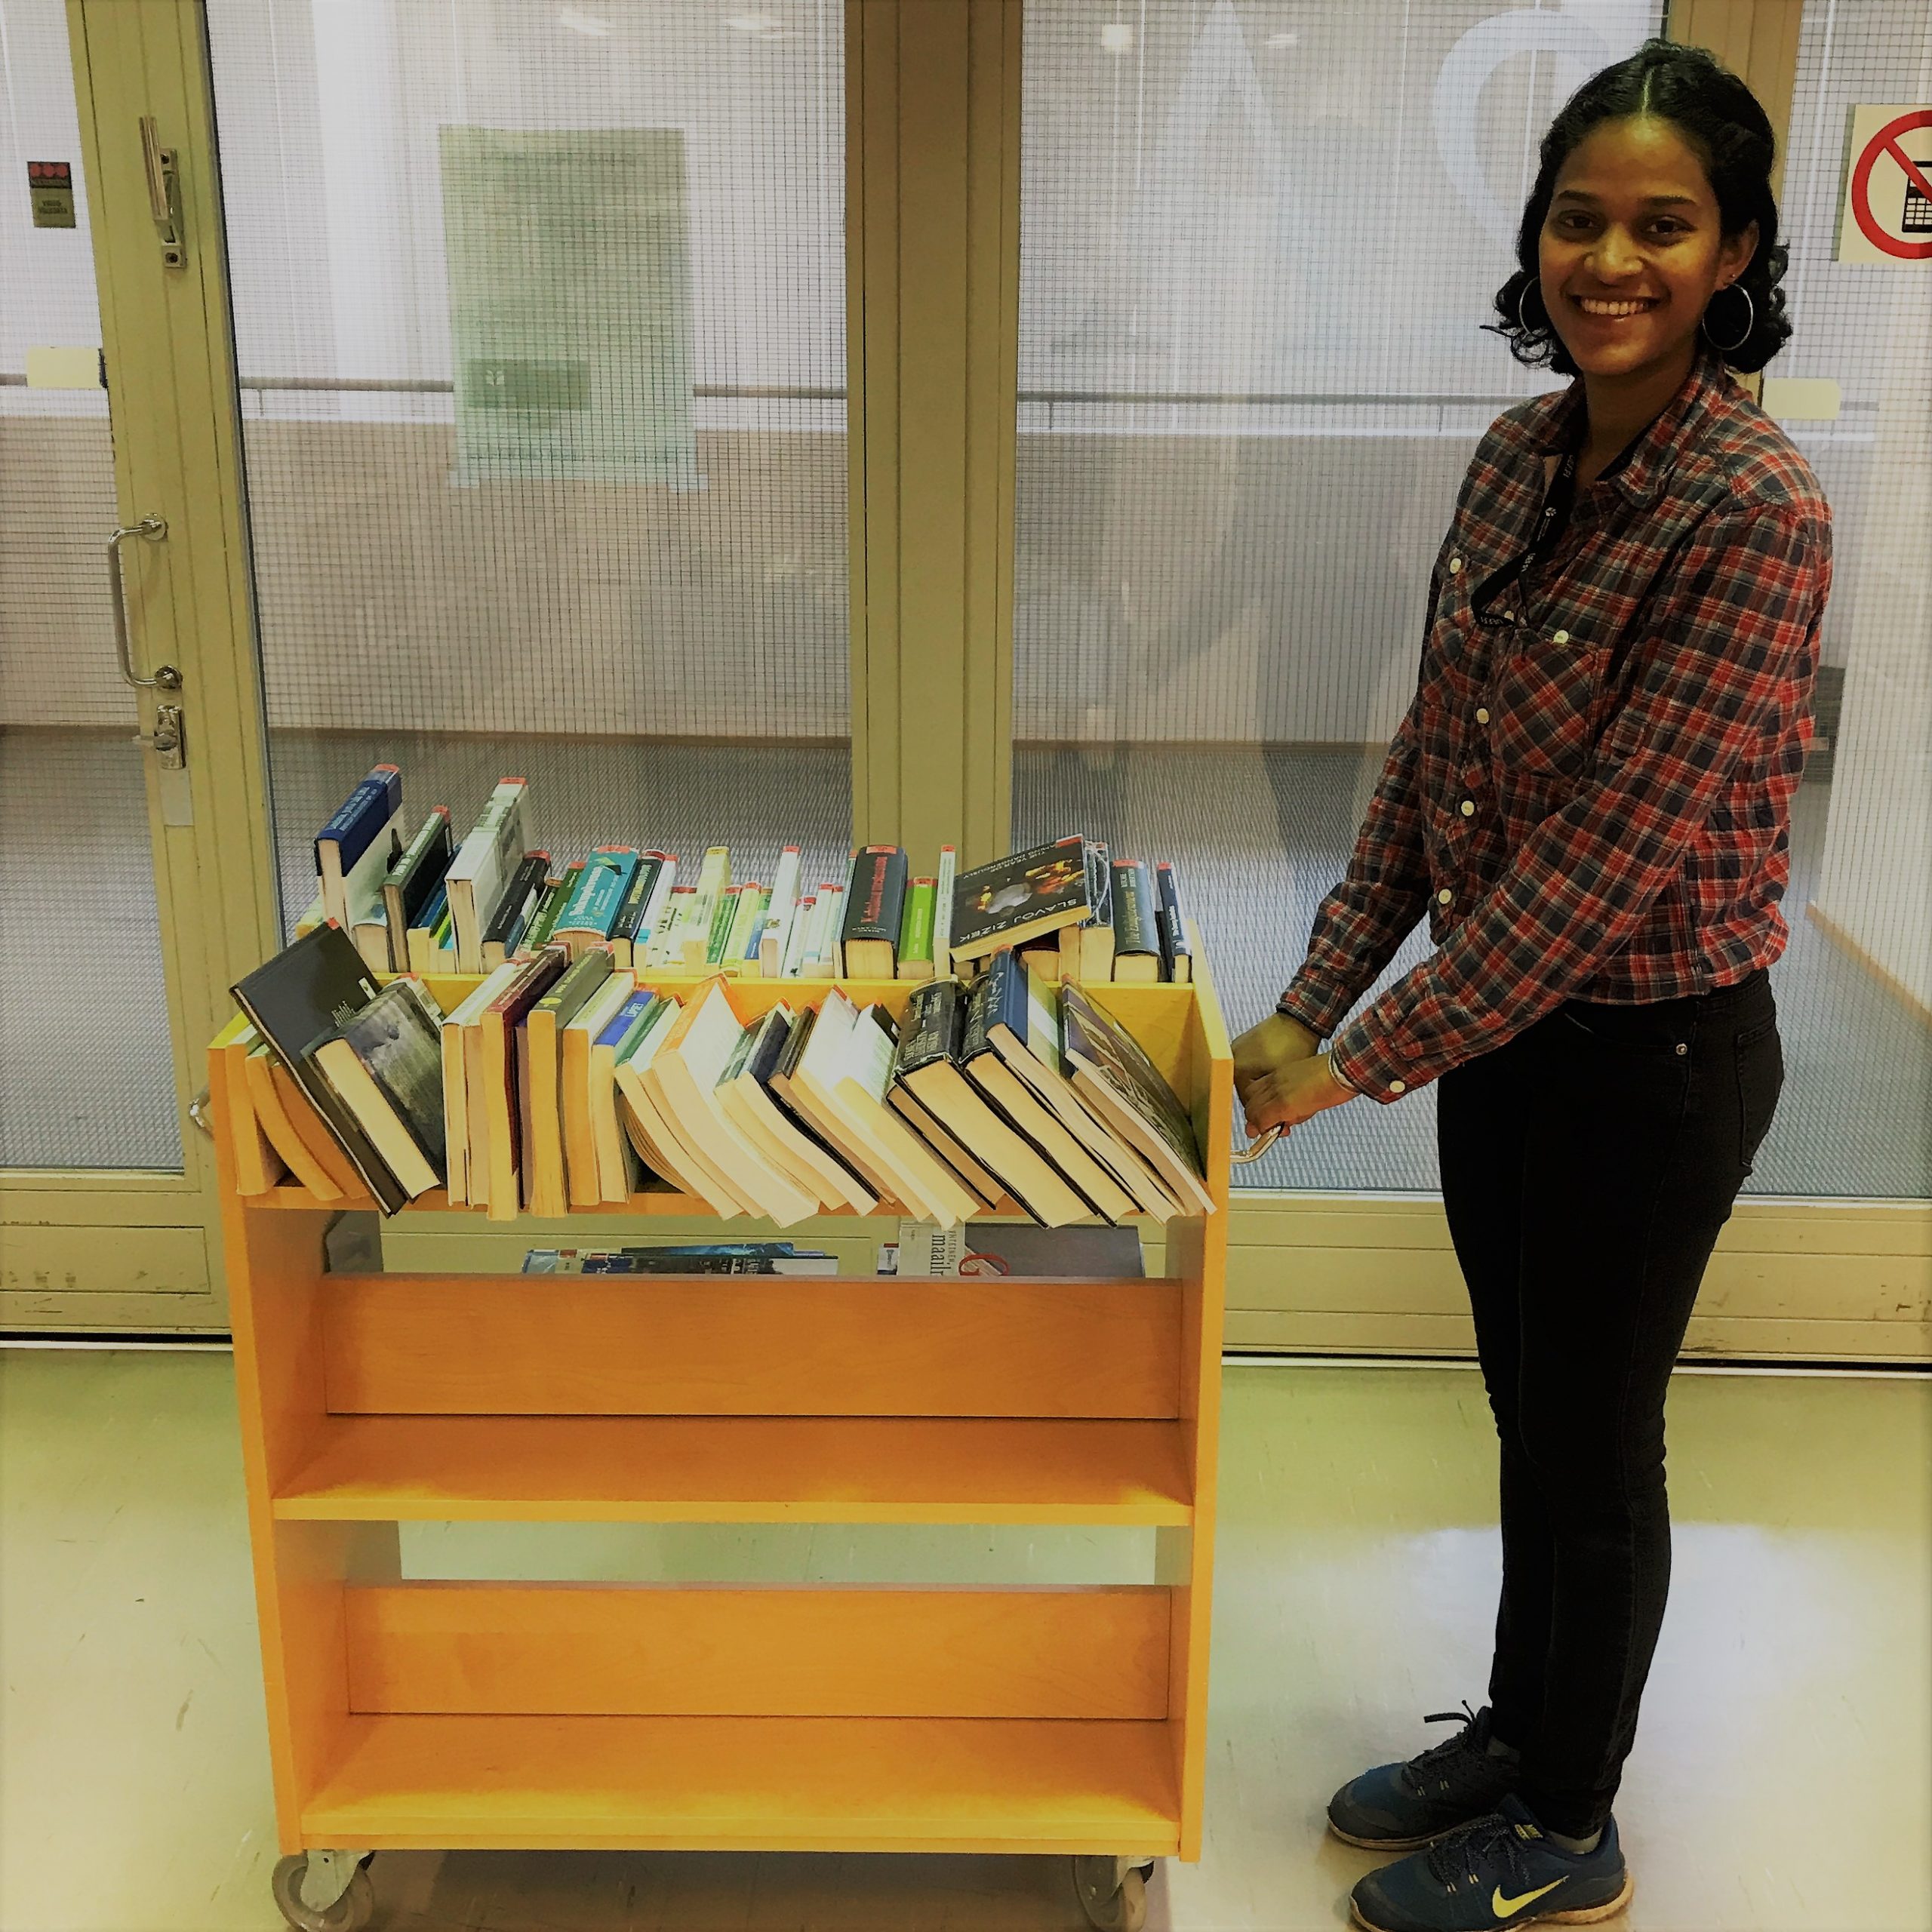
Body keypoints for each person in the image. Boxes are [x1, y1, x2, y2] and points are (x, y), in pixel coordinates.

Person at [1229, 39, 1828, 1932]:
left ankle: (1570, 1823)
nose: (1610, 259)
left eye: (1662, 225)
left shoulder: (1752, 511)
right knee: (1529, 1411)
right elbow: (1433, 764)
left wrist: (1356, 1061)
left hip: (1648, 1056)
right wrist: (1311, 993)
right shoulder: (1515, 454)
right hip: (1509, 1044)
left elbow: (1593, 869)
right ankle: (1514, 1726)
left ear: (1730, 252)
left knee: (1591, 1435)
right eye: (1579, 218)